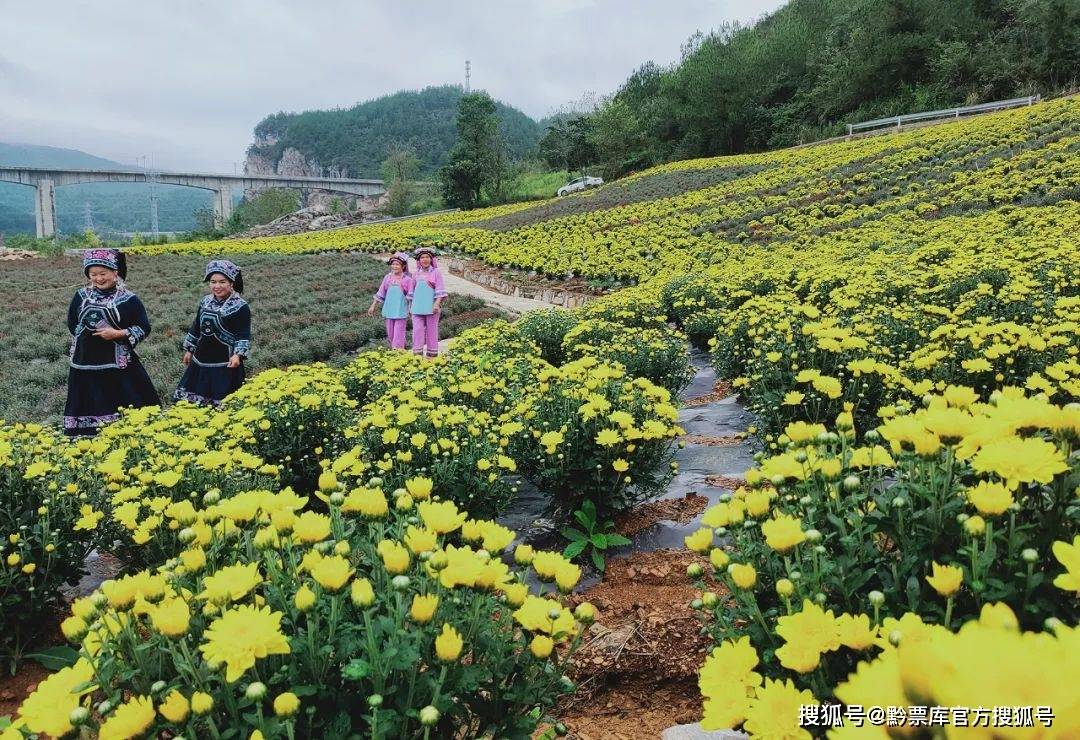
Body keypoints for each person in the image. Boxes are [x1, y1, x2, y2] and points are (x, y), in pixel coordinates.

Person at [63, 248, 160, 436]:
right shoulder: (81, 296)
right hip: (84, 362)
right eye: (93, 274)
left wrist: (117, 334)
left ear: (115, 273)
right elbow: (72, 322)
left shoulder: (129, 299)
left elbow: (143, 327)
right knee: (87, 396)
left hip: (117, 363)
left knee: (124, 398)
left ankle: (126, 432)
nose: (98, 278)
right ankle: (86, 433)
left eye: (103, 273)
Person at [174, 259, 251, 406]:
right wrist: (189, 350)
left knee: (224, 403)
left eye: (222, 282)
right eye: (213, 282)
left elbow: (243, 334)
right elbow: (196, 327)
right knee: (194, 402)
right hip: (200, 360)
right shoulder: (205, 301)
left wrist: (237, 355)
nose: (217, 286)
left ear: (231, 283)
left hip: (226, 362)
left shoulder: (241, 306)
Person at [367, 252, 414, 349]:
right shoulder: (387, 278)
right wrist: (373, 306)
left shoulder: (408, 280)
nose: (394, 266)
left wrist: (410, 309)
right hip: (389, 310)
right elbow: (381, 292)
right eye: (393, 264)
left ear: (403, 266)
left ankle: (398, 352)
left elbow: (410, 297)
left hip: (401, 311)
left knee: (398, 334)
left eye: (397, 264)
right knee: (391, 334)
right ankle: (398, 349)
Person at [408, 246, 448, 358]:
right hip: (417, 308)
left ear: (431, 259)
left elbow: (440, 289)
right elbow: (412, 292)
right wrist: (410, 307)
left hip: (432, 308)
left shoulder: (436, 272)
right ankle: (417, 355)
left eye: (427, 257)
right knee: (417, 331)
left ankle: (432, 355)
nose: (424, 259)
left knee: (432, 331)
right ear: (419, 260)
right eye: (422, 257)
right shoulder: (415, 274)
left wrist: (436, 304)